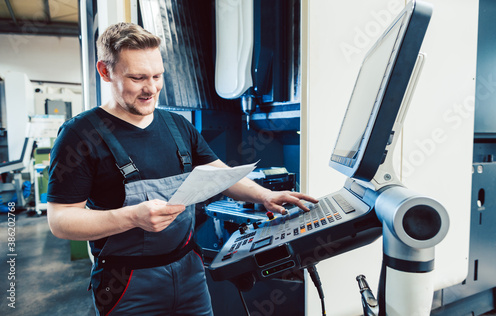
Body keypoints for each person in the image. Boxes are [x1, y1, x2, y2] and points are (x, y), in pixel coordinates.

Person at [47, 22, 317, 316]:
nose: (151, 88)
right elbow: (61, 220)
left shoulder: (177, 126)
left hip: (190, 275)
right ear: (105, 71)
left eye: (157, 75)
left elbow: (217, 175)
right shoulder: (80, 135)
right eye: (137, 77)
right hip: (128, 284)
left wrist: (264, 195)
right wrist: (132, 217)